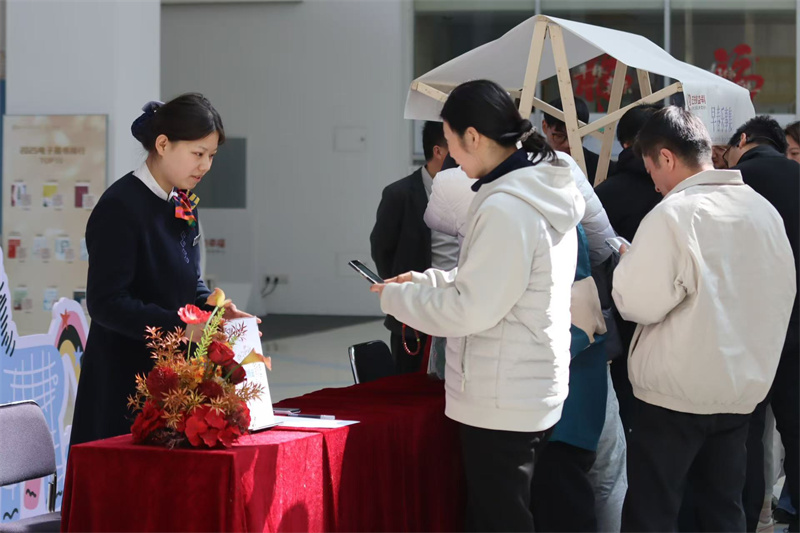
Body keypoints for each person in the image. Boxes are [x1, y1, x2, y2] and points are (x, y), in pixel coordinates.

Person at [372, 79, 585, 531]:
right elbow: (496, 281)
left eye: (451, 143)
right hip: (524, 384)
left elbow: (472, 308)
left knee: (498, 519)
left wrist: (398, 299)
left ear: (472, 136)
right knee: (506, 512)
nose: (450, 157)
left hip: (502, 393)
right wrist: (428, 280)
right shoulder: (536, 188)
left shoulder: (508, 206)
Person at [613, 107, 796, 532]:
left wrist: (627, 263)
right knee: (722, 509)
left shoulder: (674, 214)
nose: (654, 184)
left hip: (673, 395)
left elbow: (636, 302)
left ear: (666, 157)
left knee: (653, 512)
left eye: (651, 170)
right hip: (739, 392)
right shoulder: (763, 211)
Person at [69, 94, 254, 447]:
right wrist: (181, 327)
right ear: (163, 144)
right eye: (198, 153)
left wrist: (216, 311)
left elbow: (188, 280)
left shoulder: (181, 200)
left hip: (175, 380)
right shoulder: (120, 207)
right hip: (125, 381)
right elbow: (106, 303)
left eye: (211, 156)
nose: (205, 166)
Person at [723, 116, 799, 533]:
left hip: (746, 330)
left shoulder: (733, 184)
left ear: (743, 140)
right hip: (797, 329)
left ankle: (752, 518)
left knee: (745, 434)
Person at [369, 121, 453, 374]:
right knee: (410, 384)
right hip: (415, 312)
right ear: (439, 151)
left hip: (457, 305)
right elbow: (381, 248)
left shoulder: (471, 192)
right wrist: (401, 293)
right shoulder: (400, 194)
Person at [542, 97, 615, 185]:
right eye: (560, 136)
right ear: (545, 127)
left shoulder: (603, 169)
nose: (568, 144)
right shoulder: (531, 165)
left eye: (575, 137)